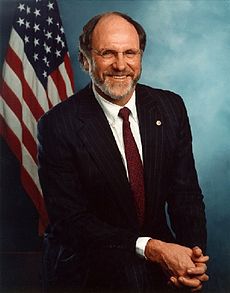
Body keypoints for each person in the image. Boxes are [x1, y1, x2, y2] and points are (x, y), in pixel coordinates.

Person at [37, 11, 209, 293]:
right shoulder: (57, 125)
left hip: (162, 270)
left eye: (130, 53)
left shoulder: (170, 108)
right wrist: (152, 248)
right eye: (107, 53)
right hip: (88, 272)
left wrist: (192, 258)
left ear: (140, 57)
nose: (120, 65)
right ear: (85, 60)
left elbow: (185, 194)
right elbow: (71, 221)